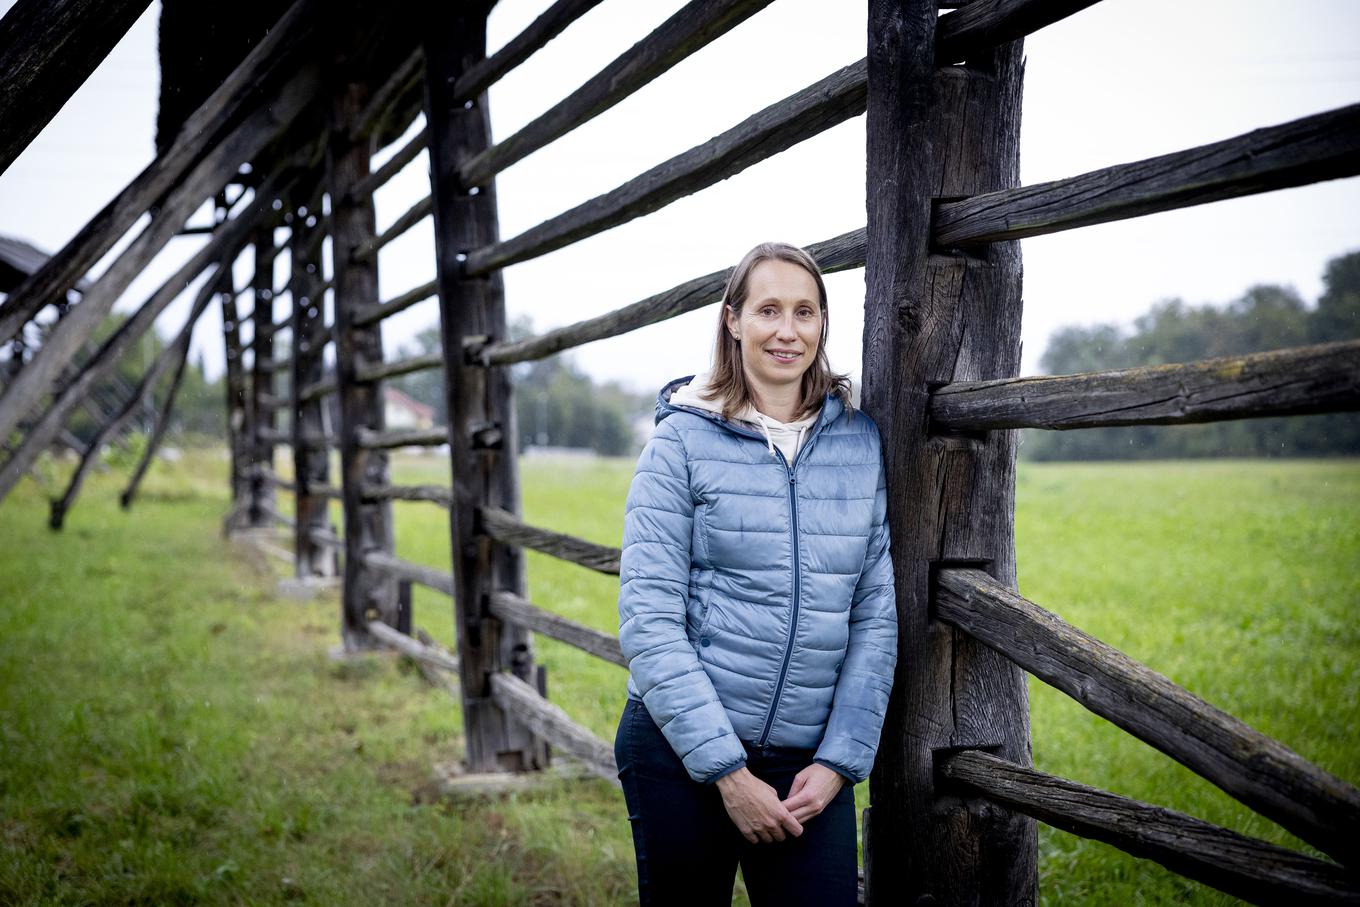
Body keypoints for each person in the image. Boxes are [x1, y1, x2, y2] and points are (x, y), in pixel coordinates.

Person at [614, 241, 898, 906]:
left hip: (809, 766)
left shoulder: (858, 442)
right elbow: (650, 621)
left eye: (805, 311)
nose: (787, 330)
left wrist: (837, 763)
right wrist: (727, 772)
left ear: (823, 324)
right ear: (733, 320)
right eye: (768, 309)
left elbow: (874, 613)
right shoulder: (680, 442)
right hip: (680, 752)